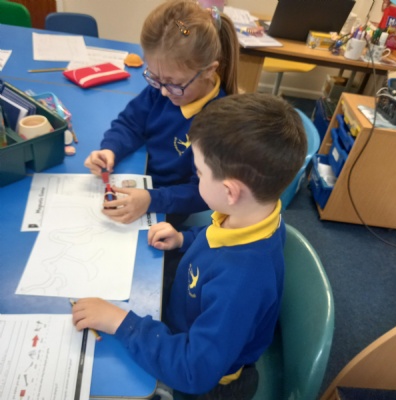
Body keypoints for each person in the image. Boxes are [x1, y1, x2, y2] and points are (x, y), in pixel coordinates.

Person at [71, 93, 307, 399]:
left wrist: (120, 323)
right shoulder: (255, 217)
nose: (196, 178)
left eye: (199, 173)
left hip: (208, 381)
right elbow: (216, 239)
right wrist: (184, 239)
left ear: (230, 192)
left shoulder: (241, 281)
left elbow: (194, 371)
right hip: (193, 320)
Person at [84, 0, 239, 225]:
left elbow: (204, 193)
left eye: (174, 83)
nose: (164, 92)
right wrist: (110, 148)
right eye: (155, 78)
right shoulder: (163, 88)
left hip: (171, 205)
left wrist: (152, 199)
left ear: (208, 71)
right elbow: (130, 123)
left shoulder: (220, 124)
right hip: (143, 182)